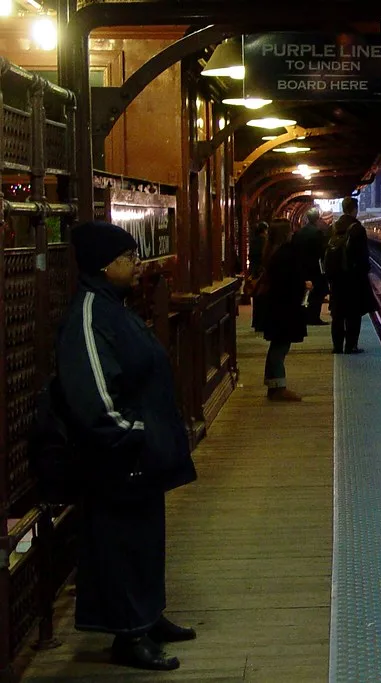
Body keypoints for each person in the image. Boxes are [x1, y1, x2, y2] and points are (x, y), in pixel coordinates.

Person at [57, 221, 197, 671]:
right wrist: (134, 432)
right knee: (119, 542)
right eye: (128, 259)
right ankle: (127, 634)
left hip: (140, 453)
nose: (137, 266)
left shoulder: (113, 305)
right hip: (118, 456)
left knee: (145, 538)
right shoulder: (91, 314)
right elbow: (95, 393)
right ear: (105, 264)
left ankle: (147, 616)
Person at [253, 220, 311, 400]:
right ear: (285, 234)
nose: (293, 233)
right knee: (280, 347)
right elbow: (288, 282)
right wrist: (304, 284)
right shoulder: (285, 254)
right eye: (290, 231)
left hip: (275, 307)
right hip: (284, 309)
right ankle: (278, 389)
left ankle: (273, 385)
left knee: (276, 346)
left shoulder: (271, 252)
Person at [325, 197, 378, 354]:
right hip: (353, 278)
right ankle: (351, 346)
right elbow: (363, 256)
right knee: (353, 314)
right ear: (354, 209)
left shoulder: (333, 227)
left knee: (337, 314)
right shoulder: (357, 229)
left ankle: (337, 347)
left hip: (335, 279)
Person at [292, 207, 328, 325]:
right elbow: (321, 252)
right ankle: (313, 317)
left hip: (300, 266)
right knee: (317, 293)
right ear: (317, 219)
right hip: (314, 267)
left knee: (302, 293)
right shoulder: (317, 233)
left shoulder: (299, 232)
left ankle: (302, 316)